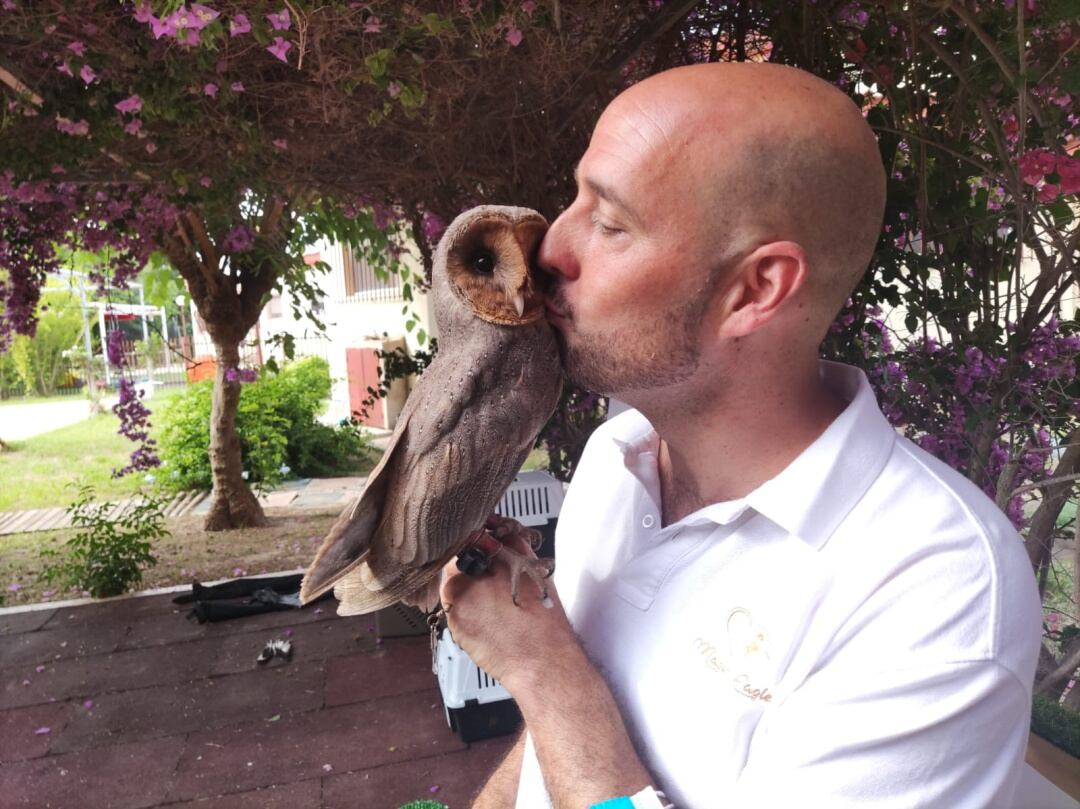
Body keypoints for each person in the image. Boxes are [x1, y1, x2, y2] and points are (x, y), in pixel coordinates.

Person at [439, 62, 1042, 809]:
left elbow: (567, 697)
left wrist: (543, 670)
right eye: (576, 197)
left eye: (610, 222)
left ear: (755, 290)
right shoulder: (617, 457)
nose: (550, 247)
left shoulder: (931, 591)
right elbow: (554, 758)